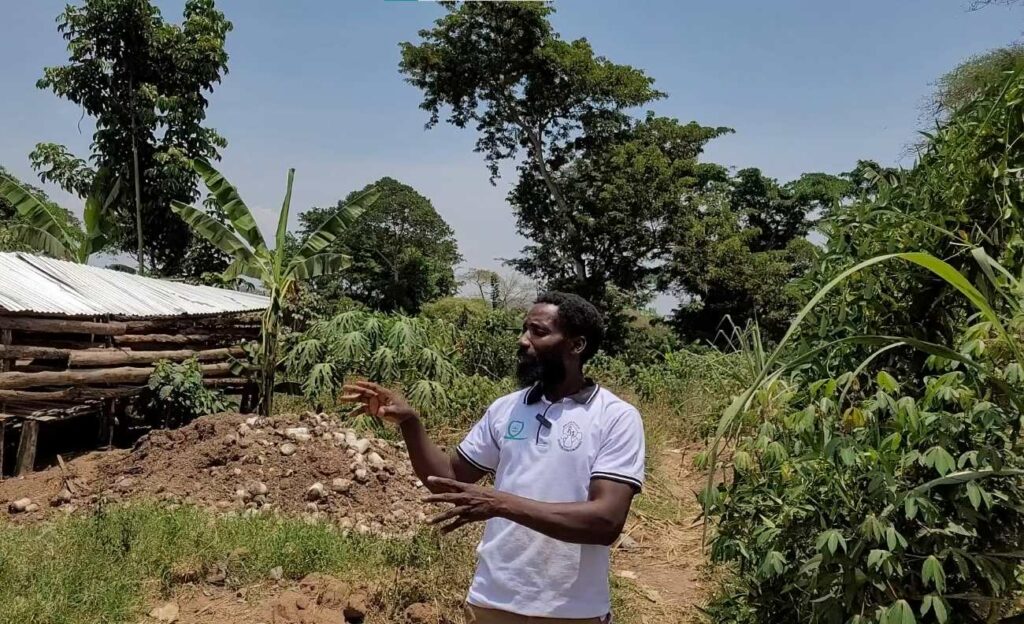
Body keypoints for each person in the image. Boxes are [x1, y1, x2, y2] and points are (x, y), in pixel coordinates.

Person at [342, 292, 645, 624]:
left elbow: (606, 522)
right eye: (524, 329)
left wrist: (501, 504)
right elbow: (450, 478)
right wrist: (410, 423)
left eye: (538, 332)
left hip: (572, 609)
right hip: (493, 600)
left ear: (576, 345)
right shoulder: (506, 409)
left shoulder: (615, 417)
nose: (523, 340)